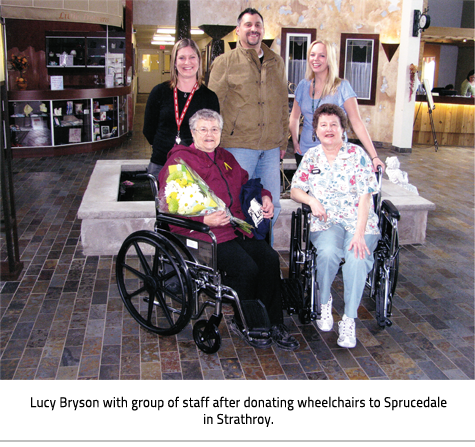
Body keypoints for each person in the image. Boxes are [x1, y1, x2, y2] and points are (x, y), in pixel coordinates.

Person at [158, 109, 299, 351]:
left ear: (221, 133)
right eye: (203, 129)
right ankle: (246, 322)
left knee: (268, 259)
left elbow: (247, 184)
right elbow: (171, 204)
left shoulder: (226, 157)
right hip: (202, 235)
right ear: (192, 133)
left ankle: (275, 322)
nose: (209, 134)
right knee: (245, 268)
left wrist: (264, 196)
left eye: (214, 129)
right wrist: (205, 219)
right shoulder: (180, 161)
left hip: (235, 229)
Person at [290, 104, 380, 349]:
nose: (328, 129)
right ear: (315, 130)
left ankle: (349, 319)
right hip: (326, 221)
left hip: (358, 220)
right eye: (323, 125)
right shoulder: (311, 156)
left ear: (343, 129)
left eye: (334, 125)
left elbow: (365, 196)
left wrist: (359, 234)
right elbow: (295, 189)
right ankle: (324, 300)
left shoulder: (358, 154)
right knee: (328, 252)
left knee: (357, 256)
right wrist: (311, 199)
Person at [208, 8, 289, 237]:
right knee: (238, 205)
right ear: (238, 30)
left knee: (271, 207)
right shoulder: (224, 62)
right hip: (238, 147)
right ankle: (243, 263)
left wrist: (283, 140)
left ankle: (266, 262)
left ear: (263, 30)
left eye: (257, 25)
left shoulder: (277, 62)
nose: (253, 29)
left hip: (271, 148)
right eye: (248, 24)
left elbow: (283, 102)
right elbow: (213, 105)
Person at [289, 39, 384, 171]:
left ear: (330, 59)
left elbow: (356, 122)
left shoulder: (342, 87)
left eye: (322, 55)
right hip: (305, 153)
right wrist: (295, 142)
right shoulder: (302, 86)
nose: (316, 59)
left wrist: (374, 156)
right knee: (305, 191)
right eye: (312, 54)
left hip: (334, 154)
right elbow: (294, 117)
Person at [143, 39, 220, 179]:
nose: (187, 62)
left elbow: (214, 133)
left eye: (192, 57)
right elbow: (148, 130)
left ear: (199, 61)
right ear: (174, 62)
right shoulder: (159, 92)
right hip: (161, 163)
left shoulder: (209, 97)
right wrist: (165, 147)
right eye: (182, 58)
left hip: (197, 166)